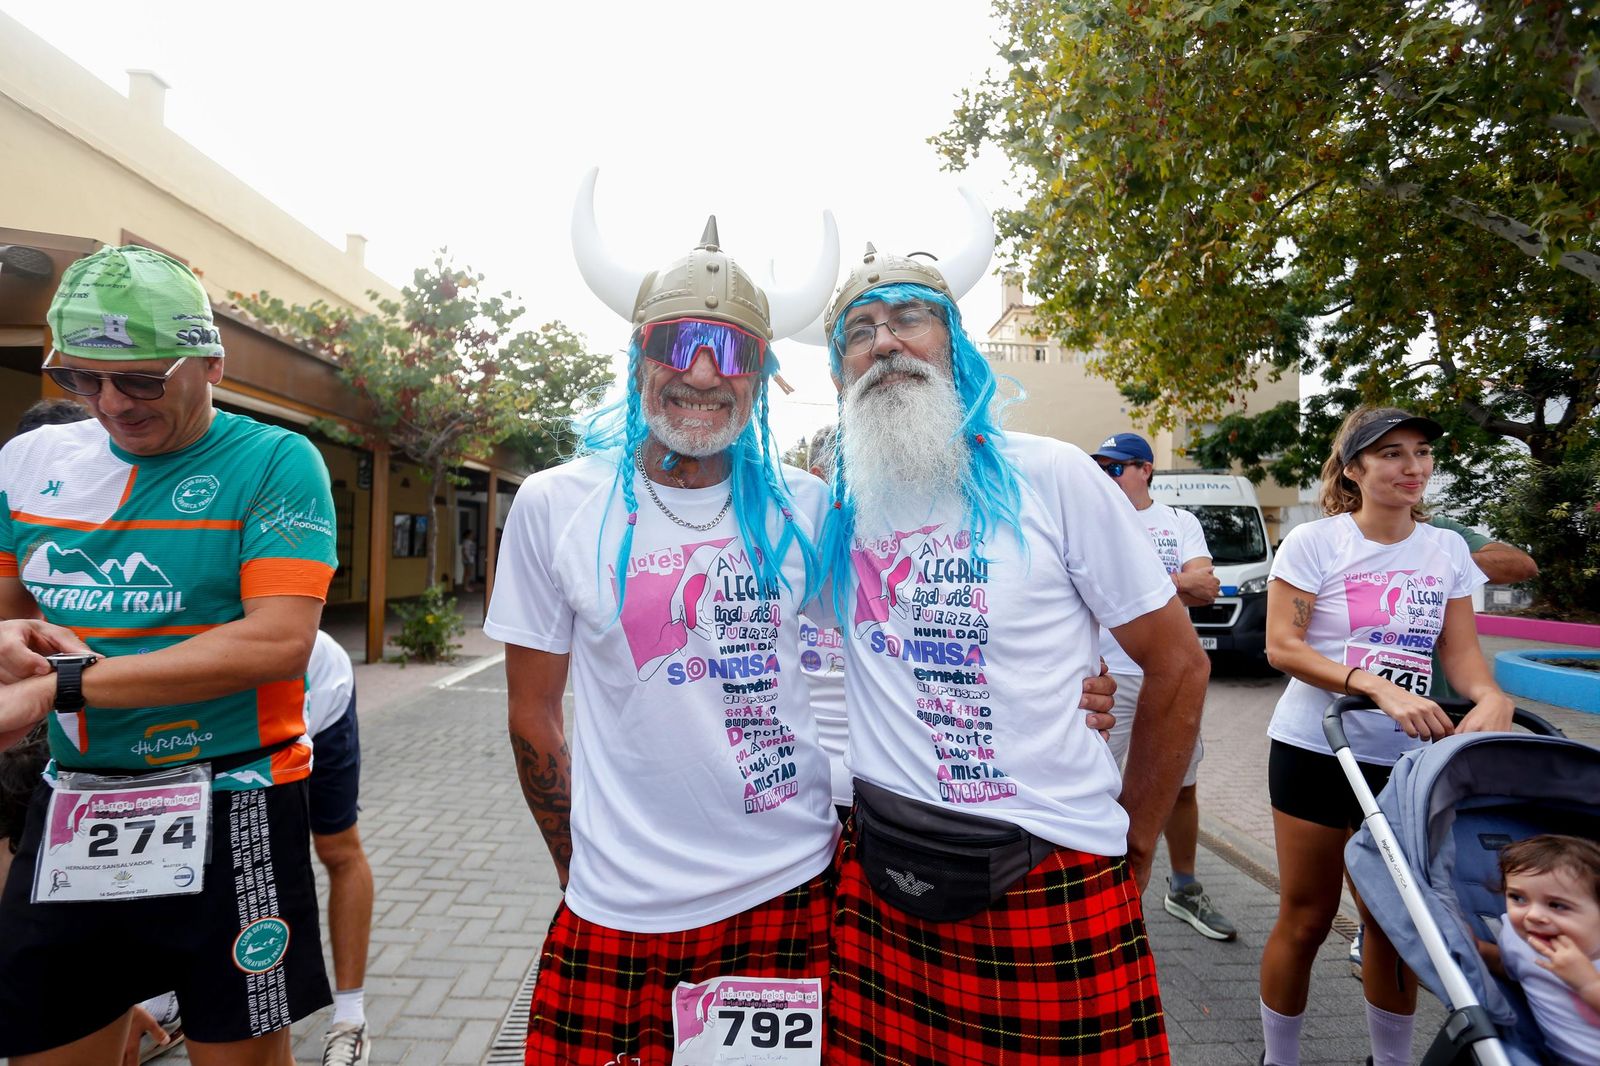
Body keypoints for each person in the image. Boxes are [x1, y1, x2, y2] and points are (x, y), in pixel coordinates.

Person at [817, 240, 1210, 1064]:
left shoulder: (1055, 475)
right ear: (839, 369)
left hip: (1050, 870)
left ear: (955, 345)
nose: (885, 342)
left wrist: (1135, 840)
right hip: (885, 864)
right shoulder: (838, 511)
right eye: (861, 329)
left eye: (909, 318)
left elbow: (1178, 664)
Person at [489, 211, 843, 1065]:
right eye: (677, 342)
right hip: (619, 904)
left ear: (762, 374)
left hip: (792, 883)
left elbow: (875, 661)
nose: (700, 372)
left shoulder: (809, 504)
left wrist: (1069, 692)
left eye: (732, 350)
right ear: (638, 354)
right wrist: (583, 869)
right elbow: (533, 716)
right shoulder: (554, 504)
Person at [0, 245, 339, 1065]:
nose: (110, 403)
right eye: (80, 379)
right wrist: (9, 643)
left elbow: (276, 640)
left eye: (142, 380)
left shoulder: (274, 461)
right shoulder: (29, 461)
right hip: (77, 797)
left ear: (210, 361)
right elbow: (9, 618)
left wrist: (64, 690)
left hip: (235, 792)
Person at [1260, 405, 1515, 1066]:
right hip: (1316, 747)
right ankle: (1278, 1059)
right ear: (1354, 469)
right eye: (1394, 453)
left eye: (1422, 452)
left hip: (1406, 765)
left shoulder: (1447, 550)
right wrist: (1372, 684)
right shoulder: (1318, 542)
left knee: (1392, 923)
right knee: (1308, 917)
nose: (1414, 467)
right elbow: (1283, 646)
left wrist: (1491, 696)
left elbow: (1461, 659)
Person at [1091, 431, 1235, 942]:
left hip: (1169, 674)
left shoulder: (1179, 522)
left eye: (1114, 467)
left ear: (1145, 469)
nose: (1104, 476)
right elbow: (1185, 584)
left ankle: (1185, 886)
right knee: (1097, 785)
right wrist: (1170, 580)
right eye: (1099, 467)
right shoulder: (1092, 519)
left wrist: (1135, 579)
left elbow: (1206, 586)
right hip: (1104, 676)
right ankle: (1100, 894)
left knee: (1180, 785)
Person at [1478, 834, 1600, 1064]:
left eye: (1557, 905)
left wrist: (1589, 983)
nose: (1533, 916)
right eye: (1518, 898)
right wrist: (1481, 950)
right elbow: (1513, 967)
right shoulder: (1517, 938)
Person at [799, 424, 851, 821]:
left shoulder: (896, 558)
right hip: (805, 798)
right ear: (818, 481)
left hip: (892, 794)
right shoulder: (783, 561)